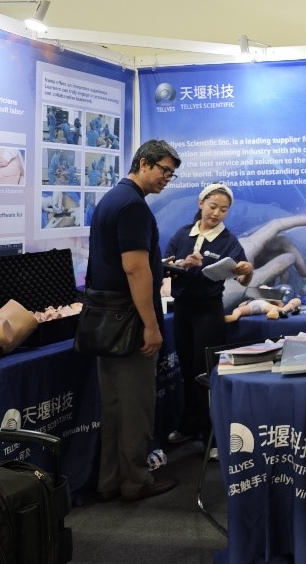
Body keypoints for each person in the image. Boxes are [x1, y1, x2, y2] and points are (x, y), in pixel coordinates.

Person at [87, 138, 180, 502]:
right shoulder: (133, 207)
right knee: (137, 407)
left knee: (113, 408)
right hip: (130, 322)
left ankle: (109, 481)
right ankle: (136, 482)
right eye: (164, 171)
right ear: (143, 163)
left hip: (104, 320)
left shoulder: (111, 199)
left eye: (171, 174)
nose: (167, 179)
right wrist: (152, 326)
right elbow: (135, 269)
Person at [163, 183, 254, 447]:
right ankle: (189, 426)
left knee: (205, 372)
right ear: (201, 203)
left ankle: (211, 438)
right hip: (182, 310)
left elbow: (243, 278)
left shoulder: (229, 240)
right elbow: (165, 266)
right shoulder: (182, 234)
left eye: (223, 210)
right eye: (213, 206)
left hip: (208, 311)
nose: (216, 213)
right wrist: (182, 264)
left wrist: (247, 270)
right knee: (186, 370)